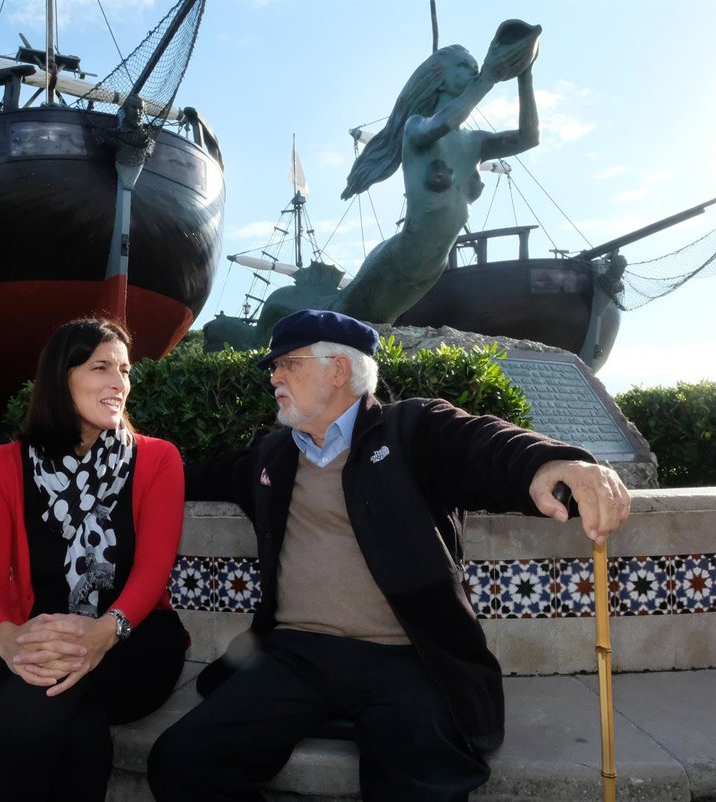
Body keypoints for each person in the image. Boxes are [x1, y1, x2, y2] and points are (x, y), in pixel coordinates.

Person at [147, 309, 630, 801]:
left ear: (338, 370)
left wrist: (553, 464)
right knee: (181, 760)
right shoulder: (272, 455)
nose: (274, 376)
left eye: (287, 363)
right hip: (295, 653)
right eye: (275, 366)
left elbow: (485, 446)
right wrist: (130, 471)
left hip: (408, 655)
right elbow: (193, 476)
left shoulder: (412, 430)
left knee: (419, 785)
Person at [0, 318, 187, 801]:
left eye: (124, 370)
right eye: (101, 367)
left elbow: (153, 571)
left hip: (132, 640)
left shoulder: (158, 459)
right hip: (34, 642)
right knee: (80, 736)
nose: (119, 382)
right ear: (59, 378)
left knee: (39, 702)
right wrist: (9, 641)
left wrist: (102, 633)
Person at [255, 23, 544, 336]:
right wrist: (488, 77)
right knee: (345, 320)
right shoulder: (416, 128)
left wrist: (524, 73)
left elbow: (529, 138)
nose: (473, 71)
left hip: (432, 267)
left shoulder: (476, 142)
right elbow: (443, 122)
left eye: (475, 67)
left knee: (375, 330)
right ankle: (266, 330)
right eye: (463, 65)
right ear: (439, 77)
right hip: (401, 258)